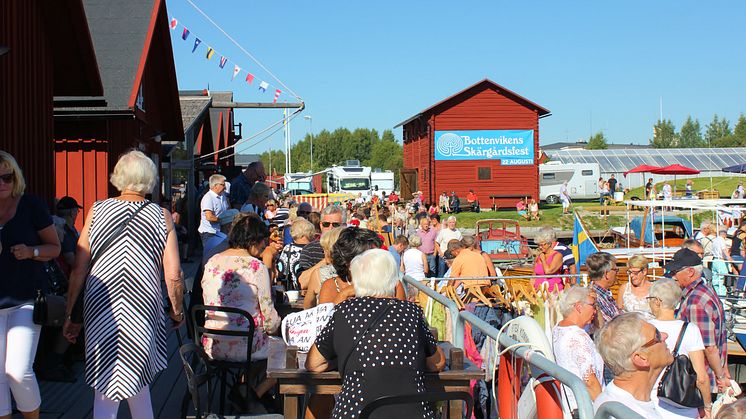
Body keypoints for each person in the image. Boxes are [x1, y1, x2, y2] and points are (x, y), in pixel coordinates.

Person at [63, 150, 185, 418]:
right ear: (149, 180)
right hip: (142, 305)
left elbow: (79, 268)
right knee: (137, 377)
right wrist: (177, 310)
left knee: (106, 382)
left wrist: (72, 313)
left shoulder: (97, 209)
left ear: (118, 177)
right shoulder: (161, 216)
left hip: (101, 302)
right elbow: (174, 274)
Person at [305, 249, 446, 419]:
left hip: (356, 412)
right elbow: (436, 363)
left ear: (357, 281)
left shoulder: (344, 311)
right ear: (394, 280)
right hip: (412, 413)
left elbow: (314, 364)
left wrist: (346, 358)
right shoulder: (411, 312)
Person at [0, 151, 61, 419]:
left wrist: (31, 252)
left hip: (24, 300)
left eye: (7, 176)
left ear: (16, 177)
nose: (2, 182)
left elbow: (55, 248)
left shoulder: (30, 205)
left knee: (18, 370)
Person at [201, 213, 280, 398]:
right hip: (246, 346)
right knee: (285, 351)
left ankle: (244, 388)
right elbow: (270, 320)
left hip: (214, 343)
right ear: (253, 240)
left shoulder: (212, 261)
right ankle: (254, 395)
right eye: (262, 241)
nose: (263, 246)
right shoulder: (255, 266)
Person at [667, 248, 729, 395]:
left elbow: (708, 347)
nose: (672, 276)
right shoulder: (706, 290)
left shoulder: (695, 301)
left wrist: (720, 377)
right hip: (708, 377)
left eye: (675, 271)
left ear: (690, 272)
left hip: (701, 381)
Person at [647, 279, 712, 419]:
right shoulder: (690, 330)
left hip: (650, 404)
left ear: (657, 301)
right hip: (684, 406)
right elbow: (701, 377)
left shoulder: (645, 328)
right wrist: (707, 406)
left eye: (650, 299)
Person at [593, 312, 673, 418]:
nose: (665, 335)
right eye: (657, 335)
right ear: (641, 358)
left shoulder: (614, 400)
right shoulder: (626, 413)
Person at [319, 228, 406, 306]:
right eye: (368, 256)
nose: (376, 260)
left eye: (376, 254)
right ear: (347, 261)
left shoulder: (393, 285)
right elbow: (326, 321)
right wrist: (344, 294)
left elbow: (401, 319)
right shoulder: (332, 286)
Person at [553, 287, 604, 412]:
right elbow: (589, 381)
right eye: (593, 305)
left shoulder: (558, 328)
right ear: (579, 307)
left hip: (570, 403)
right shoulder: (578, 337)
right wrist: (605, 410)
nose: (595, 311)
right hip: (587, 407)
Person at [302, 227, 344, 309]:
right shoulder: (358, 270)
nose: (323, 252)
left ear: (330, 250)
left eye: (324, 249)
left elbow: (307, 306)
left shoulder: (319, 274)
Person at [277, 218, 315, 290]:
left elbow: (281, 269)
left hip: (291, 290)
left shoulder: (288, 248)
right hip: (308, 290)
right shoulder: (312, 249)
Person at [586, 252, 620, 329]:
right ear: (606, 274)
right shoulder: (593, 297)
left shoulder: (604, 293)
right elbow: (608, 326)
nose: (617, 273)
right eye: (615, 270)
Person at [198, 174, 228, 249]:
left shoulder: (223, 196)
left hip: (220, 231)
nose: (225, 187)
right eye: (223, 185)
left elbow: (228, 209)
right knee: (210, 254)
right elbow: (209, 216)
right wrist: (223, 221)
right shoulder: (208, 198)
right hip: (209, 232)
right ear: (215, 186)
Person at [55, 196, 83, 274]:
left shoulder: (56, 227)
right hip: (67, 278)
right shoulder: (65, 231)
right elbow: (70, 259)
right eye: (77, 211)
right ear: (72, 212)